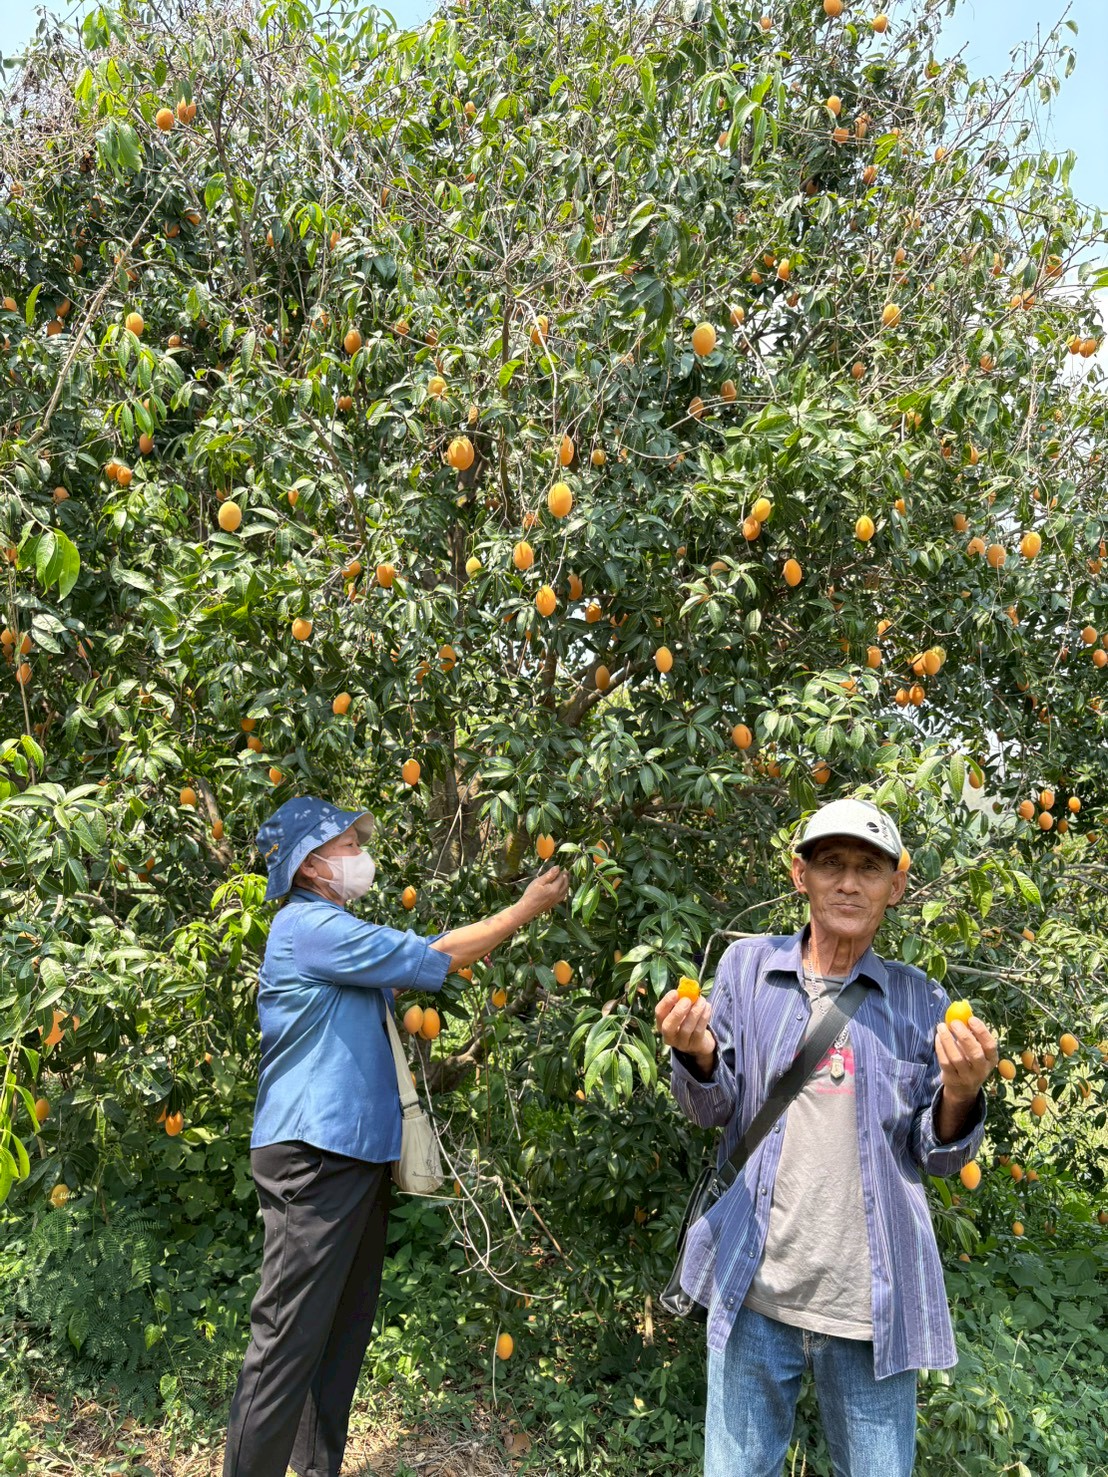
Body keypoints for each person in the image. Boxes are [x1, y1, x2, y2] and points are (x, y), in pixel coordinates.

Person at [223, 795, 569, 1477]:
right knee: (287, 1338)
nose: (360, 854)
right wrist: (523, 909)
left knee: (336, 1335)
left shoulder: (334, 932)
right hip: (313, 1159)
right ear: (314, 865)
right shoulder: (309, 927)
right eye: (350, 844)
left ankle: (316, 1467)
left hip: (353, 1159)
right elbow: (436, 954)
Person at [655, 797, 998, 1477]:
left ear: (895, 885)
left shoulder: (919, 1000)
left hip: (871, 1310)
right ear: (799, 874)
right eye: (832, 863)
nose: (849, 882)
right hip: (754, 1291)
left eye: (868, 868)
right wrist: (695, 1054)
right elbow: (712, 1107)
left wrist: (962, 1091)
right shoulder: (749, 970)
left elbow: (938, 1153)